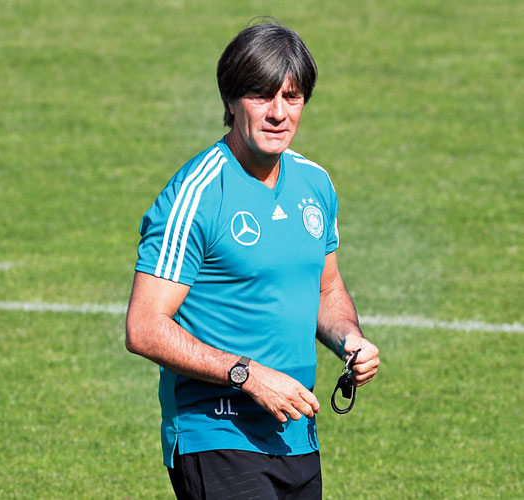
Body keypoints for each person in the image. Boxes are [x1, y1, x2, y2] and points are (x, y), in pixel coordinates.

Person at [125, 20, 380, 500]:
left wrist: (350, 340)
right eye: (261, 96)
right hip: (216, 436)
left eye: (292, 97)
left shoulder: (315, 184)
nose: (278, 113)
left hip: (296, 433)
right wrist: (247, 374)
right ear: (230, 100)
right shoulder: (197, 194)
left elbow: (325, 288)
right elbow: (143, 327)